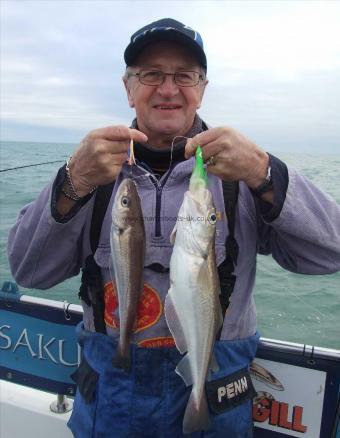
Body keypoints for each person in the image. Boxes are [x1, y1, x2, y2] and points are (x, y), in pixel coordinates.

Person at [7, 18, 340, 438]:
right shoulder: (92, 172)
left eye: (185, 75)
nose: (168, 89)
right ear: (128, 87)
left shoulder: (243, 174)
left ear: (202, 88)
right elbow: (28, 271)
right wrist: (72, 181)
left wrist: (264, 171)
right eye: (150, 75)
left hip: (216, 399)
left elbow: (332, 251)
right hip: (111, 401)